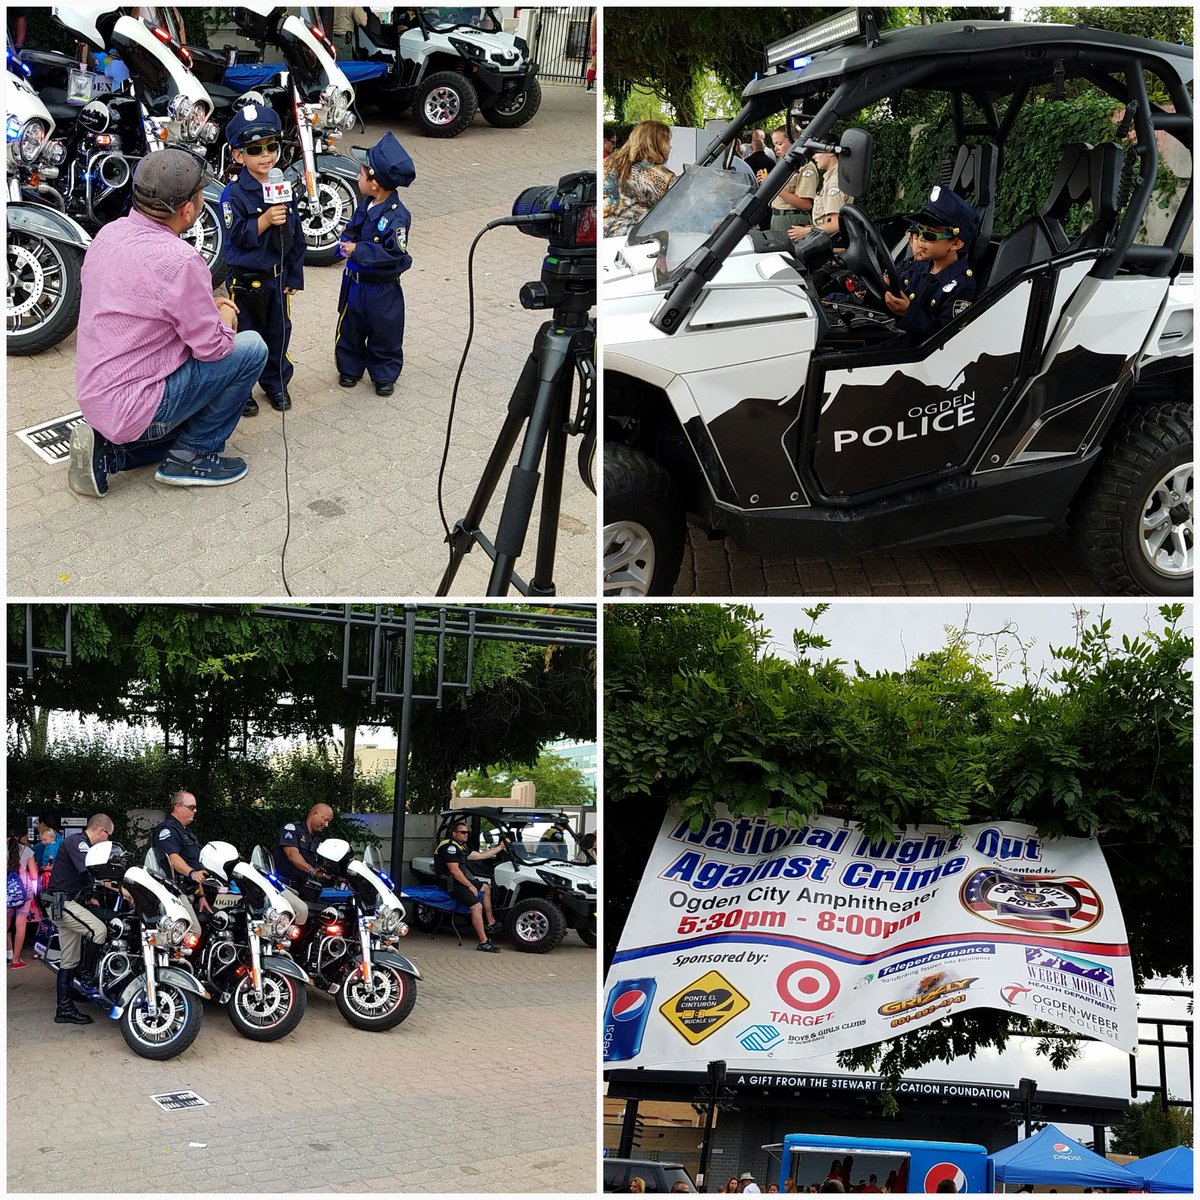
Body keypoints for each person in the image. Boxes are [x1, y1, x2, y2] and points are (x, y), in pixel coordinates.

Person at [67, 149, 267, 496]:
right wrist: (224, 316)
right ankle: (193, 455)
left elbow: (142, 306)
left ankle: (111, 454)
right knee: (251, 349)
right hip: (139, 405)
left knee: (182, 410)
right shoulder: (181, 260)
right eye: (201, 194)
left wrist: (201, 306)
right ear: (188, 209)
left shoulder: (109, 234)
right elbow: (214, 349)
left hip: (98, 399)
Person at [221, 104, 305, 415]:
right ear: (238, 155)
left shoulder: (283, 188)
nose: (266, 156)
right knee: (244, 336)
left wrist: (294, 274)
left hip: (276, 279)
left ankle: (276, 382)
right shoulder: (233, 195)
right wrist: (265, 220)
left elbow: (295, 234)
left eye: (272, 147)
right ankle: (241, 389)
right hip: (245, 283)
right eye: (255, 149)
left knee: (278, 333)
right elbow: (235, 237)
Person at [336, 131, 417, 397]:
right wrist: (345, 242)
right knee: (350, 327)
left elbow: (394, 253)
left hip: (382, 290)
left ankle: (384, 373)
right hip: (356, 284)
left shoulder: (397, 216)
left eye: (361, 173)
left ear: (375, 183)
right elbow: (353, 228)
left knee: (385, 332)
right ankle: (350, 367)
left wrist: (359, 249)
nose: (357, 176)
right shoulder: (367, 204)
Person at [43, 814, 117, 1023]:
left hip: (67, 903)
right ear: (101, 830)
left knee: (69, 960)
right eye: (108, 835)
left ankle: (64, 1009)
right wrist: (124, 889)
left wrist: (90, 896)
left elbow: (80, 878)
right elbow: (94, 872)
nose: (108, 840)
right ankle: (88, 976)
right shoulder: (78, 843)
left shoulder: (82, 845)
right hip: (63, 904)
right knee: (99, 931)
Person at [882, 185, 979, 342]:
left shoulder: (961, 285)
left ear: (956, 243)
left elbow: (947, 337)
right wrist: (885, 286)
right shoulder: (918, 266)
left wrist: (909, 312)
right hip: (895, 335)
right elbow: (894, 287)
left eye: (929, 235)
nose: (920, 239)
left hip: (918, 351)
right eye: (919, 231)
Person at [434, 818, 509, 952]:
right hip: (450, 883)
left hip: (459, 880)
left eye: (467, 832)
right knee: (476, 906)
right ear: (454, 834)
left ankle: (491, 923)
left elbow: (480, 856)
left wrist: (500, 847)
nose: (466, 835)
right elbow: (455, 871)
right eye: (463, 832)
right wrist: (470, 886)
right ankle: (483, 942)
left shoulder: (460, 847)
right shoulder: (449, 847)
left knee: (486, 887)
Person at [150, 790, 212, 931]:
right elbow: (173, 859)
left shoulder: (188, 833)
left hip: (191, 892)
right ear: (178, 807)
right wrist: (192, 873)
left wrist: (201, 895)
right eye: (191, 807)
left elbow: (196, 866)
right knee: (193, 931)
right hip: (175, 892)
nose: (195, 811)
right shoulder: (167, 830)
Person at [603, 120, 675, 238]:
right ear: (655, 144)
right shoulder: (662, 176)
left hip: (603, 235)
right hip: (634, 240)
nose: (670, 147)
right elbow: (676, 213)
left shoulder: (607, 164)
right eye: (667, 142)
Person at [272, 804, 336, 925]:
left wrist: (337, 875)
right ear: (315, 814)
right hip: (282, 886)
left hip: (302, 888)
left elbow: (324, 863)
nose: (326, 824)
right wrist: (312, 870)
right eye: (325, 820)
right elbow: (292, 855)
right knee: (301, 911)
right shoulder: (292, 829)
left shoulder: (317, 839)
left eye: (328, 822)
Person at [787, 149, 853, 244]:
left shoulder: (834, 183)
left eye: (817, 152)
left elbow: (836, 224)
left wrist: (806, 231)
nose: (814, 157)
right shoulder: (834, 177)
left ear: (831, 153)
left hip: (832, 242)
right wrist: (813, 228)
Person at [768, 127, 819, 232]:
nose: (775, 149)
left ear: (794, 142)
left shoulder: (805, 167)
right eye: (774, 145)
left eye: (779, 144)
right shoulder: (783, 166)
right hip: (777, 217)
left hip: (793, 219)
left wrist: (774, 187)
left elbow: (805, 204)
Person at [7, 831, 39, 969]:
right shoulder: (27, 851)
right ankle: (15, 961)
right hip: (24, 891)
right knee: (20, 925)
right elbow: (34, 875)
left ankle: (8, 953)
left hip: (6, 892)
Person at [585, 10, 596, 92]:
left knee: (594, 65)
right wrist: (593, 43)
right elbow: (593, 29)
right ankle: (589, 87)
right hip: (596, 44)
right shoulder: (597, 14)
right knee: (594, 65)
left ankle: (590, 86)